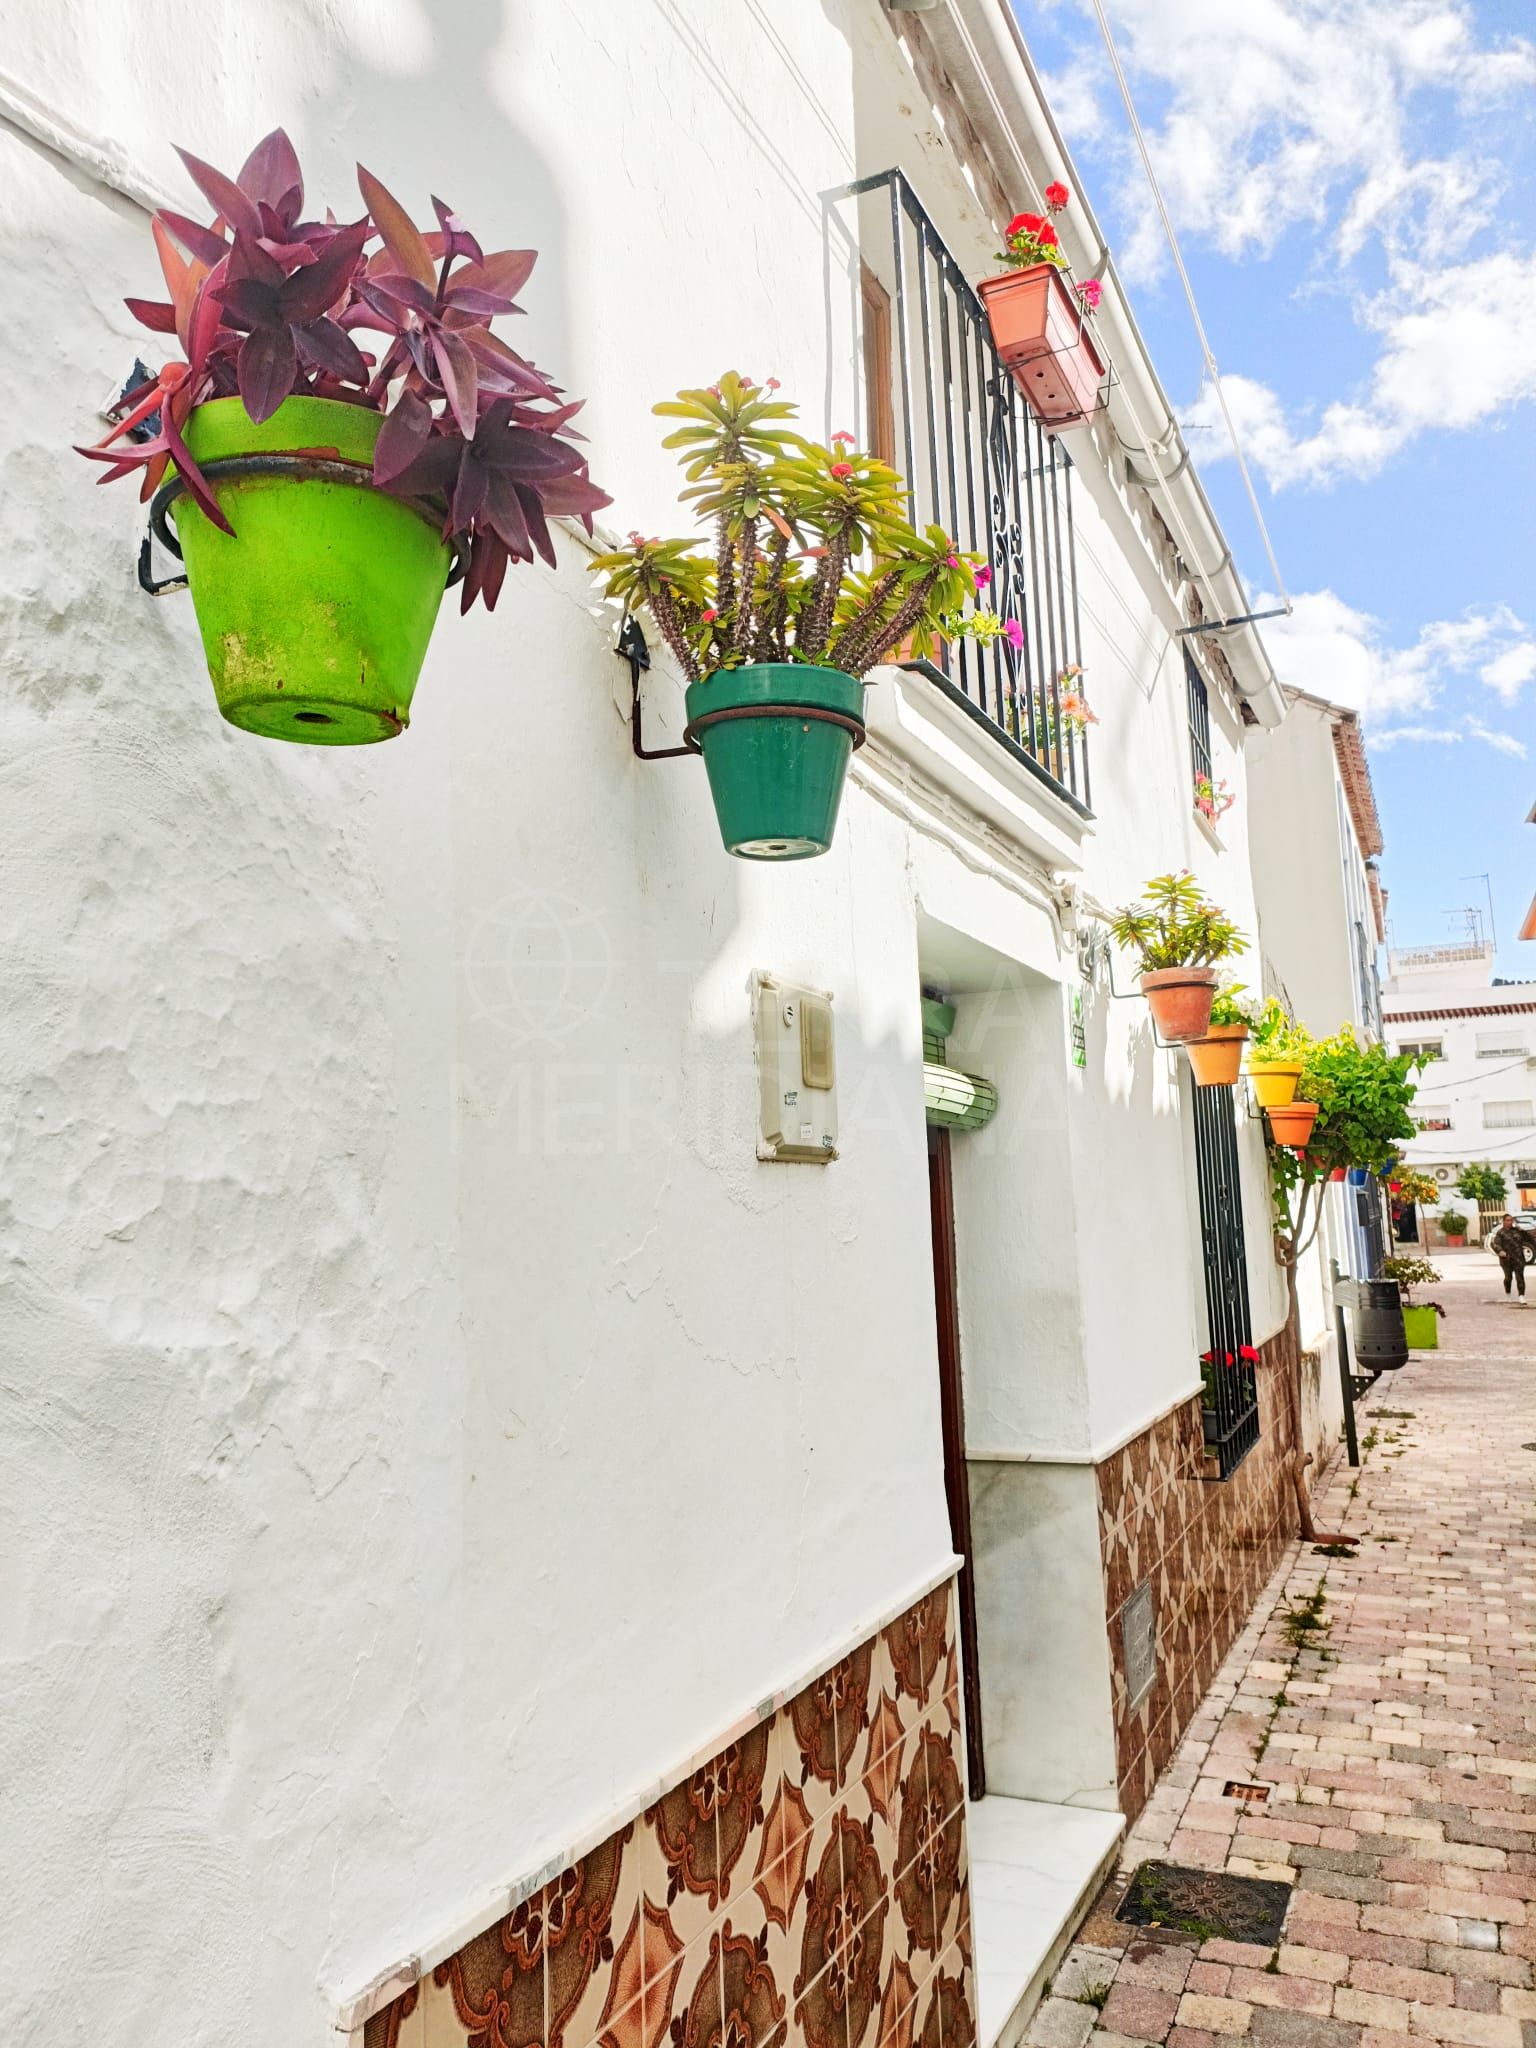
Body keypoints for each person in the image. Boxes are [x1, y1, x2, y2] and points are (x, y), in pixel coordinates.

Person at [1489, 1214, 1528, 1299]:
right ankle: (1508, 1292)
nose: (1510, 1222)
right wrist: (1500, 1251)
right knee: (1508, 1278)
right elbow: (1495, 1244)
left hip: (1518, 1258)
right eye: (1507, 1220)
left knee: (1520, 1277)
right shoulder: (1500, 1232)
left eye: (1511, 1220)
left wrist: (1522, 1231)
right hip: (1506, 1259)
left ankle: (1521, 1295)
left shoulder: (1517, 1231)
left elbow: (1529, 1239)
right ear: (1503, 1221)